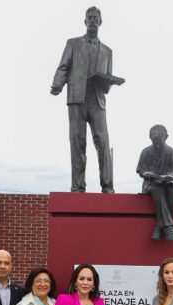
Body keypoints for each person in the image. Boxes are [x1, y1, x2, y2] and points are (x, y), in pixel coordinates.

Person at [51, 6, 119, 193]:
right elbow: (64, 67)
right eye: (89, 17)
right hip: (76, 98)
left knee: (103, 141)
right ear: (84, 21)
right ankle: (78, 186)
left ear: (100, 21)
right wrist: (57, 84)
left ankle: (107, 186)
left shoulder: (108, 51)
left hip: (97, 100)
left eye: (95, 17)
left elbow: (108, 79)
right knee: (77, 141)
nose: (92, 20)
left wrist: (110, 82)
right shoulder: (72, 43)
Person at [137, 124, 173, 241]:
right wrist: (147, 174)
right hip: (150, 184)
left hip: (166, 183)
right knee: (157, 190)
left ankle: (160, 225)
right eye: (154, 140)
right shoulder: (145, 152)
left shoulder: (171, 151)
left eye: (159, 140)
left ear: (165, 137)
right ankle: (169, 229)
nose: (157, 143)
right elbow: (141, 170)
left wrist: (168, 177)